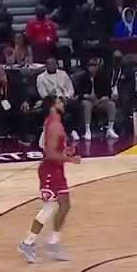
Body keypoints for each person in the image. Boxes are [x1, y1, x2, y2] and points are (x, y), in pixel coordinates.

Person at [19, 96, 80, 263]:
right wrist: (70, 159)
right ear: (53, 106)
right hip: (50, 171)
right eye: (60, 101)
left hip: (56, 170)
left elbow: (52, 147)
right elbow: (51, 154)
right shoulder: (54, 125)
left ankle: (53, 243)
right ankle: (27, 243)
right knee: (48, 208)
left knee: (65, 205)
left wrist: (66, 151)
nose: (63, 103)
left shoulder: (53, 121)